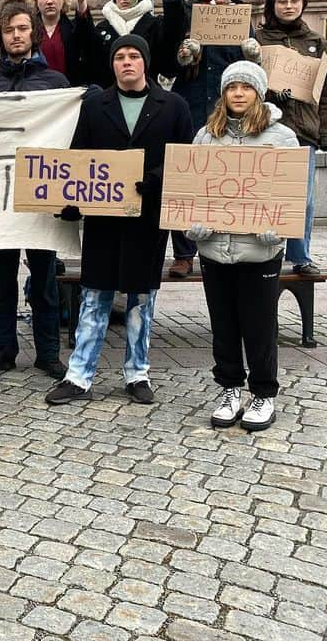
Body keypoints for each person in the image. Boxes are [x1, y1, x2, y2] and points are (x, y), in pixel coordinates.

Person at [45, 33, 194, 406]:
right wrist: (71, 200)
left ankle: (137, 373)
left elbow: (186, 156)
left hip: (147, 217)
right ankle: (79, 376)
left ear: (145, 63)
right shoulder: (96, 106)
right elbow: (79, 157)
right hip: (104, 218)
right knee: (95, 295)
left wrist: (156, 180)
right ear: (112, 64)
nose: (126, 62)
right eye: (119, 57)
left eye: (133, 56)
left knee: (141, 298)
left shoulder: (173, 106)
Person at [187, 61, 299, 432]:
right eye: (231, 87)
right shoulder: (205, 136)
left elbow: (292, 191)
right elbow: (193, 190)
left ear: (259, 92)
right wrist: (193, 223)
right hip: (215, 248)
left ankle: (264, 392)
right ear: (223, 93)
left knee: (259, 324)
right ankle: (230, 387)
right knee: (223, 324)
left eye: (246, 87)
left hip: (259, 251)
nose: (238, 93)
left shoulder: (281, 137)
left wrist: (278, 227)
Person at [0, 0, 70, 378]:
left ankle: (48, 353)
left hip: (41, 196)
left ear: (34, 33)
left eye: (23, 29)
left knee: (44, 278)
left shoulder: (55, 84)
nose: (16, 35)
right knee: (0, 278)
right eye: (9, 29)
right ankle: (4, 349)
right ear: (1, 35)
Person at [160, 0, 262, 278]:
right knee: (185, 180)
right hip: (191, 104)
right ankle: (184, 253)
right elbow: (172, 20)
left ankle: (222, 246)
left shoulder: (239, 13)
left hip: (225, 109)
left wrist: (251, 52)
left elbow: (248, 66)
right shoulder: (188, 12)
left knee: (226, 181)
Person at [256, 0, 327, 275]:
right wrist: (269, 93)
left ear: (303, 4)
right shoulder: (259, 39)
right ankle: (265, 252)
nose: (289, 5)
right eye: (282, 0)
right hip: (266, 128)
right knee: (265, 194)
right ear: (272, 4)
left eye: (294, 0)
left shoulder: (316, 41)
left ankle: (300, 255)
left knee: (303, 200)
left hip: (304, 130)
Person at [75, 0, 177, 90]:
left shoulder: (154, 25)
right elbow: (88, 50)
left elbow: (172, 34)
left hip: (147, 96)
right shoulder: (104, 27)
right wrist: (81, 3)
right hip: (109, 97)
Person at [33, 0, 96, 85]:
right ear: (36, 0)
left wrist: (81, 1)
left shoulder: (73, 29)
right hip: (37, 93)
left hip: (69, 92)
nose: (49, 1)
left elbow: (89, 41)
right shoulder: (29, 30)